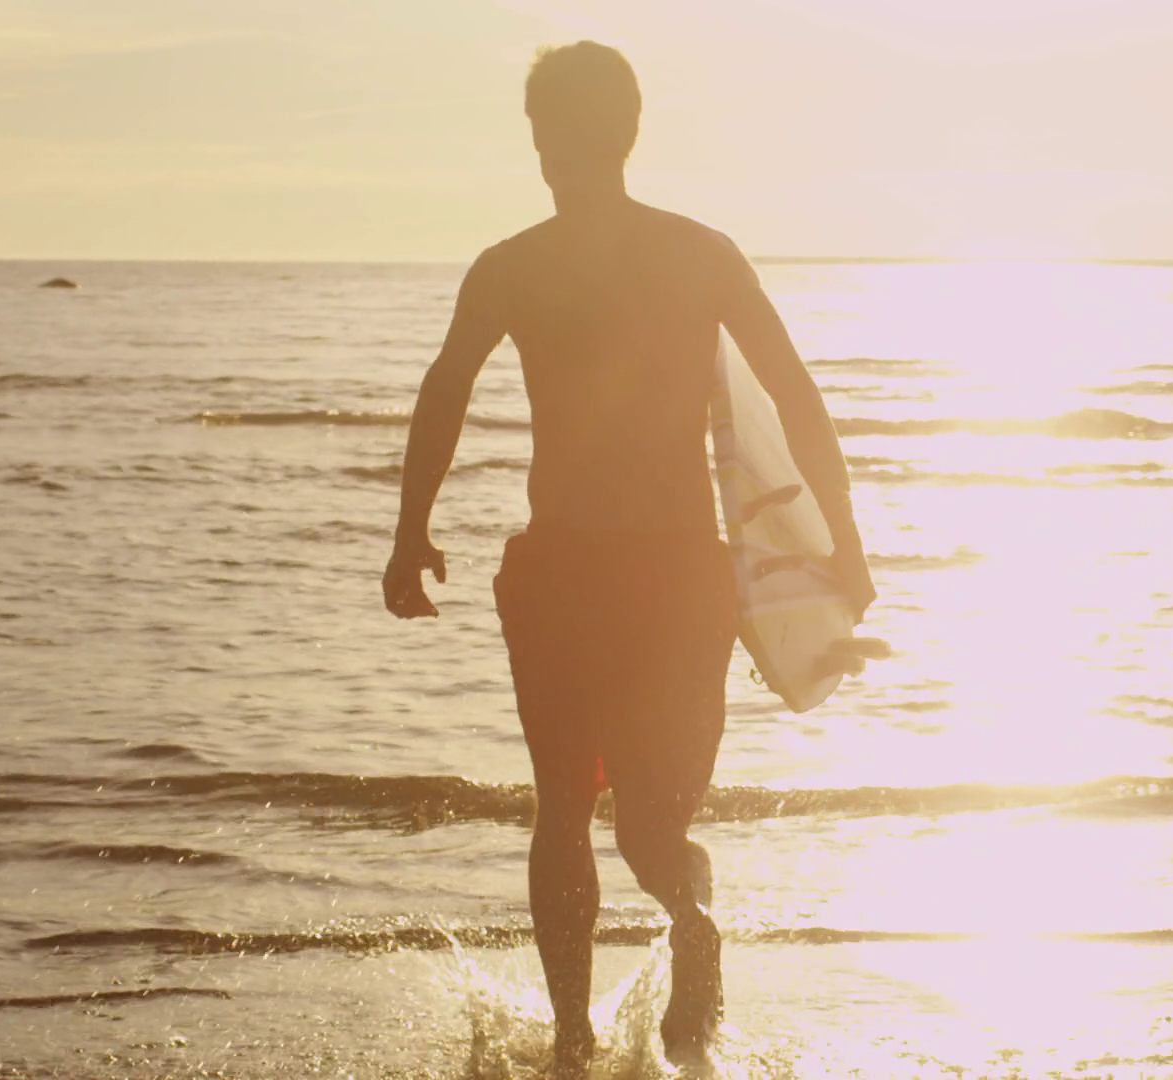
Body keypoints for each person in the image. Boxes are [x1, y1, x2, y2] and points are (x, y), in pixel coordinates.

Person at [380, 42, 875, 1077]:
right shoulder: (688, 254)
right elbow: (793, 393)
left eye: (544, 132)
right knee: (627, 820)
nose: (543, 151)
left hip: (603, 574)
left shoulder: (523, 264)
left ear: (556, 141)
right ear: (630, 132)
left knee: (582, 813)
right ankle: (641, 964)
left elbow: (446, 388)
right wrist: (842, 540)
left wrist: (411, 530)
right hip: (652, 578)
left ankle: (608, 1006)